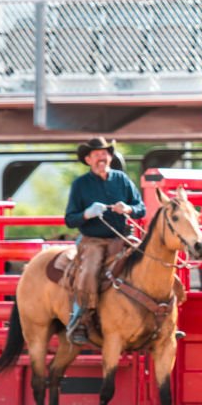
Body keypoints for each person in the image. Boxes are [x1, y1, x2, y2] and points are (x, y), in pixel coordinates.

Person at [63, 137, 146, 345]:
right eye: (97, 155)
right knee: (90, 268)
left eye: (105, 154)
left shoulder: (122, 180)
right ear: (89, 160)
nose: (102, 158)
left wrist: (127, 209)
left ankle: (158, 313)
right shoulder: (80, 185)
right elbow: (70, 219)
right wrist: (87, 214)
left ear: (110, 157)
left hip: (123, 236)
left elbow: (140, 208)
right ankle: (82, 317)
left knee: (148, 259)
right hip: (94, 240)